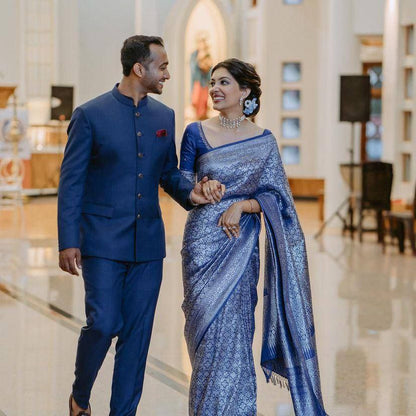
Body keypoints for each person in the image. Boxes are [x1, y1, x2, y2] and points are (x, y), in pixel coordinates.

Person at [58, 35, 224, 416]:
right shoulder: (90, 114)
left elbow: (169, 173)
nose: (168, 73)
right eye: (162, 66)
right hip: (100, 242)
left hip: (148, 245)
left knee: (137, 336)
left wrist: (192, 193)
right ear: (139, 69)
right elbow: (71, 183)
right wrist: (68, 241)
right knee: (103, 324)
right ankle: (80, 396)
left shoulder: (164, 117)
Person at [179, 58, 329, 416]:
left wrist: (244, 205)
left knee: (236, 334)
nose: (214, 88)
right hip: (202, 245)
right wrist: (199, 185)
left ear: (245, 92)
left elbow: (280, 199)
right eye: (213, 82)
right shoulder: (195, 133)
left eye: (224, 83)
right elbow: (179, 181)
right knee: (206, 334)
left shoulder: (263, 141)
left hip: (241, 246)